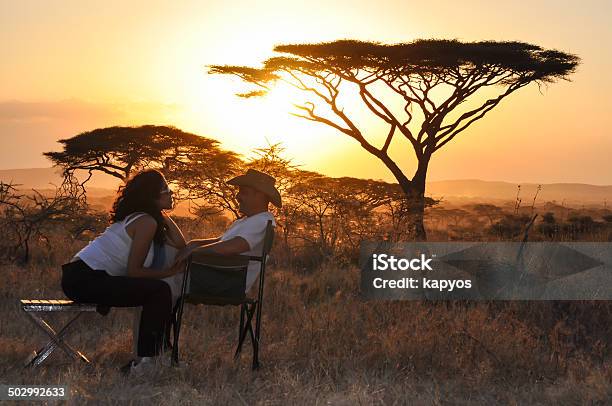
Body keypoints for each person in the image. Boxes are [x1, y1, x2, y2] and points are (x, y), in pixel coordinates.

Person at [61, 169, 187, 374]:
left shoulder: (145, 218)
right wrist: (169, 272)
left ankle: (152, 356)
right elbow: (134, 271)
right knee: (160, 290)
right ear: (152, 195)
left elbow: (181, 243)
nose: (171, 193)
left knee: (158, 290)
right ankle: (147, 360)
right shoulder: (146, 221)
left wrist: (161, 212)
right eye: (165, 189)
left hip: (79, 276)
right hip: (84, 278)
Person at [174, 169, 280, 292]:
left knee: (162, 283)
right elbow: (220, 242)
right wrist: (195, 244)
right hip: (217, 274)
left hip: (225, 280)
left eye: (243, 192)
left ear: (259, 195)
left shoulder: (262, 220)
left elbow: (232, 247)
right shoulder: (247, 220)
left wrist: (194, 252)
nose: (237, 196)